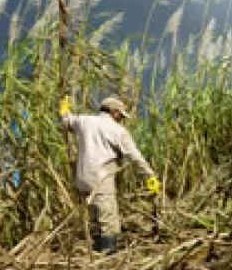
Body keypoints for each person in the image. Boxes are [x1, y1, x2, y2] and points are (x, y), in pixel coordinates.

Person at [58, 95, 160, 253]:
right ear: (115, 113)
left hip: (83, 180)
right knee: (108, 223)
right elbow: (135, 156)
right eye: (121, 115)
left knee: (94, 221)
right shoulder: (118, 130)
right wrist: (149, 176)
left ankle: (96, 253)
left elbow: (67, 122)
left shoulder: (84, 121)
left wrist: (64, 110)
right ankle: (108, 259)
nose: (121, 119)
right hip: (102, 181)